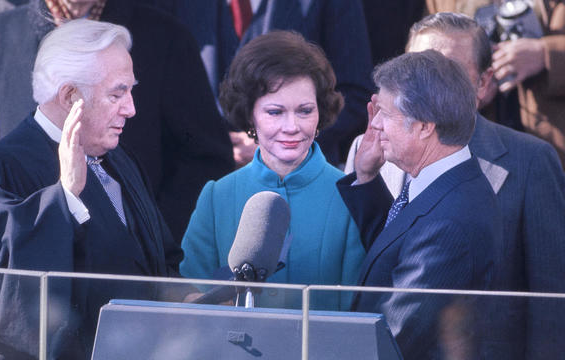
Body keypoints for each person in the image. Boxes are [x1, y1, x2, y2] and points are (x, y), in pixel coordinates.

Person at [0, 20, 187, 360]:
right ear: (70, 96)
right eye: (117, 93)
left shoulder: (119, 160)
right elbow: (0, 296)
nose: (131, 108)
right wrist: (65, 197)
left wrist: (192, 299)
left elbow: (157, 261)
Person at [346, 12, 565, 359]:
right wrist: (366, 179)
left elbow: (551, 303)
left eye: (447, 70)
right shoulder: (374, 148)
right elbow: (391, 252)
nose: (426, 82)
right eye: (416, 67)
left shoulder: (532, 161)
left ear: (483, 81)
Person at [0, 0, 234, 244]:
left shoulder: (164, 36)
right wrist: (5, 234)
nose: (128, 108)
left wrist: (146, 236)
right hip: (34, 277)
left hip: (135, 276)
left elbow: (205, 157)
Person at [179, 31, 365, 311]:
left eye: (304, 111)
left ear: (320, 112)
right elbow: (190, 297)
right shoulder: (216, 197)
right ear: (250, 114)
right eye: (275, 112)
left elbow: (358, 313)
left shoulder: (351, 198)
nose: (291, 126)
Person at [337, 50, 500, 359]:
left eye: (385, 113)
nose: (376, 125)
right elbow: (396, 249)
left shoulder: (450, 224)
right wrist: (367, 177)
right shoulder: (445, 181)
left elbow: (393, 335)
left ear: (424, 126)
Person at [168, 0, 374, 167]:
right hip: (206, 183)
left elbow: (355, 93)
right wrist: (218, 146)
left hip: (302, 181)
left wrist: (278, 144)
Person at [426, 0, 565, 165]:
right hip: (480, 154)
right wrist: (466, 92)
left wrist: (545, 54)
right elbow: (424, 56)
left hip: (553, 150)